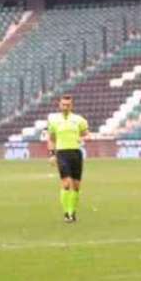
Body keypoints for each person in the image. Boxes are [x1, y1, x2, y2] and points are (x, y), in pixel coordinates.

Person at [47, 95, 88, 223]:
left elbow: (86, 134)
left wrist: (82, 139)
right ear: (60, 105)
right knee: (66, 183)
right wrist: (52, 154)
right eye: (63, 104)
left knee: (76, 186)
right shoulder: (54, 120)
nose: (65, 107)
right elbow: (51, 138)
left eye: (68, 105)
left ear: (72, 105)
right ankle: (66, 213)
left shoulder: (79, 120)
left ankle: (72, 212)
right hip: (62, 153)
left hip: (76, 153)